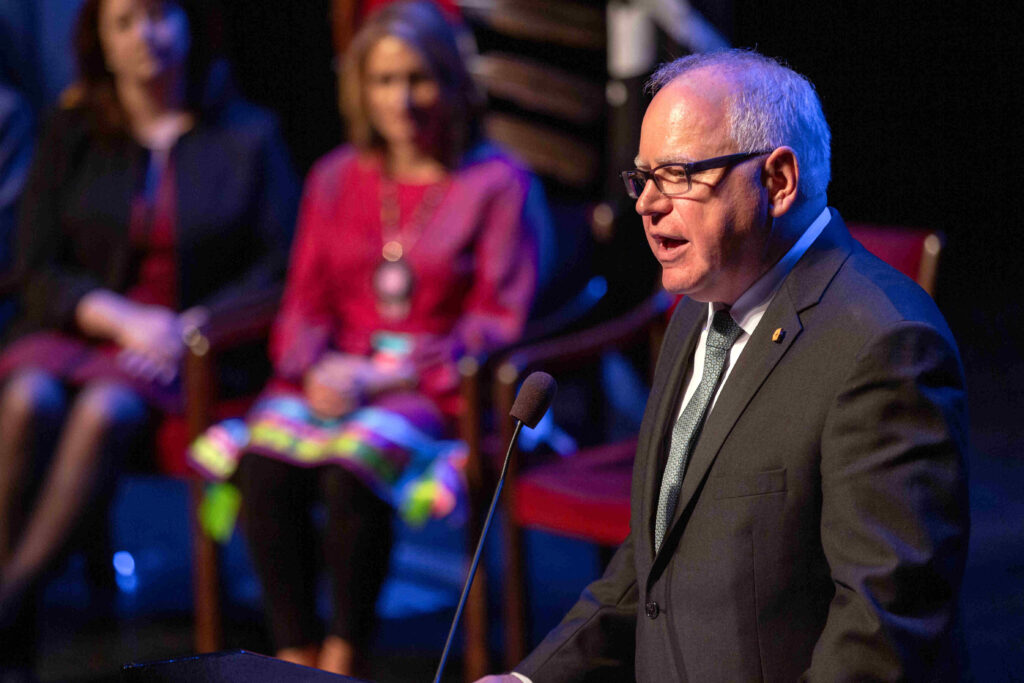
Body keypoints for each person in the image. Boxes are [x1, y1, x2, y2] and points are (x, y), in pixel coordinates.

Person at [479, 49, 970, 682]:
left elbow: (879, 633)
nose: (647, 205)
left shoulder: (886, 345)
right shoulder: (698, 308)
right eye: (642, 178)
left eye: (677, 175)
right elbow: (653, 558)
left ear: (778, 181)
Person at [187, 1, 538, 676]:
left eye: (418, 78)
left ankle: (343, 661)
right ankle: (295, 658)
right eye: (382, 81)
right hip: (334, 370)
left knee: (351, 471)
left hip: (432, 386)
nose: (401, 99)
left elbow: (497, 319)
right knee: (263, 467)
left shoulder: (497, 182)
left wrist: (381, 378)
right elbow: (305, 299)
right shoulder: (335, 176)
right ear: (360, 90)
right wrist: (314, 363)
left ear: (451, 82)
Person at [0, 0, 298, 667]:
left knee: (107, 408)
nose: (146, 37)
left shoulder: (248, 135)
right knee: (27, 398)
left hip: (188, 346)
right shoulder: (73, 130)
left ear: (191, 25)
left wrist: (197, 325)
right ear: (100, 40)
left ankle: (12, 603)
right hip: (91, 324)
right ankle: (13, 607)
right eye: (125, 22)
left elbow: (279, 269)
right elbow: (35, 265)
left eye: (160, 16)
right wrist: (118, 317)